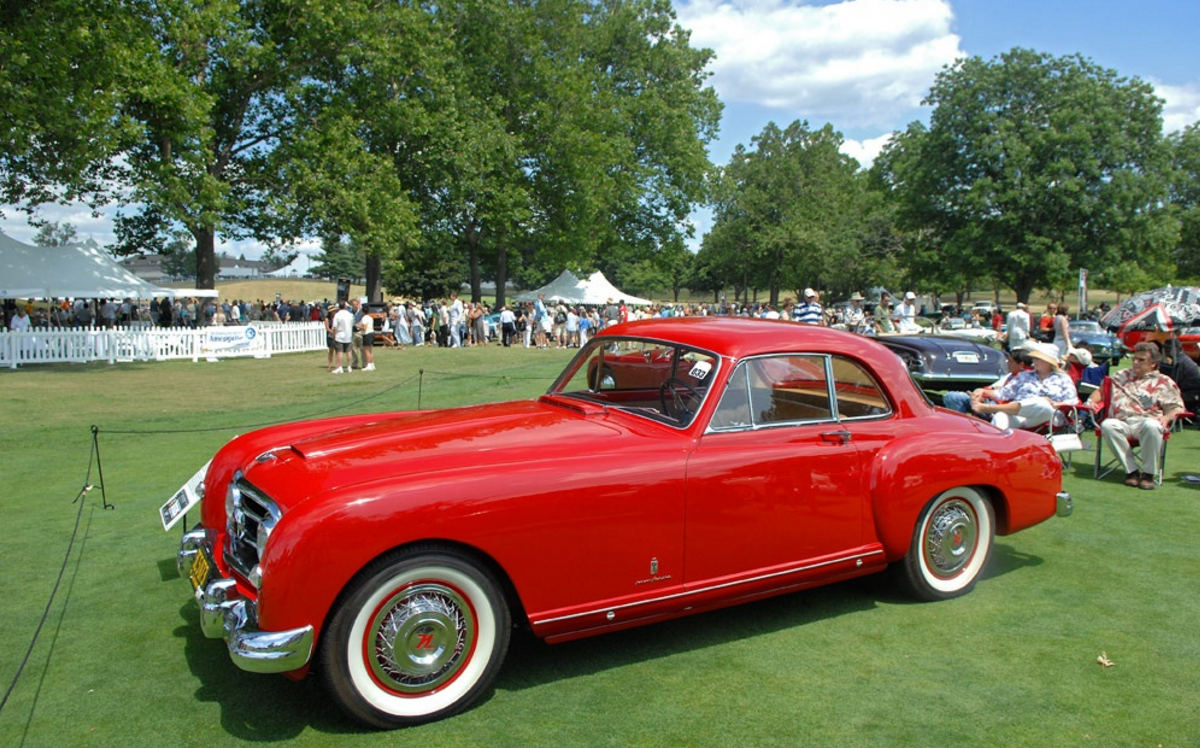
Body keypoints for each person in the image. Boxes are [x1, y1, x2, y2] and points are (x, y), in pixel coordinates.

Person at [1088, 341, 1185, 490]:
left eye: (1141, 360)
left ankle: (1148, 474)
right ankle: (1131, 471)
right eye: (1134, 358)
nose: (1135, 362)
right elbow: (1100, 392)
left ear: (1153, 364)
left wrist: (1166, 418)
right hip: (1121, 421)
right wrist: (1090, 402)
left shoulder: (1164, 382)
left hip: (1145, 422)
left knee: (1152, 425)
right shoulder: (1121, 375)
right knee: (1107, 425)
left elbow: (1178, 408)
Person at [970, 342, 1078, 430]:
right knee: (1001, 417)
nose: (1034, 361)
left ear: (1048, 362)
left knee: (1041, 403)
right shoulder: (1024, 376)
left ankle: (990, 408)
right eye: (1034, 358)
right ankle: (998, 451)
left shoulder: (1063, 378)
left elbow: (1073, 400)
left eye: (1038, 359)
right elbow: (1003, 393)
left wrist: (1056, 403)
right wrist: (982, 391)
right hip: (1021, 416)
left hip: (1049, 416)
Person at [943, 346, 1029, 414]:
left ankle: (962, 426)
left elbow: (1007, 398)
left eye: (1010, 361)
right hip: (989, 400)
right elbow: (995, 388)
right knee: (953, 397)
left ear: (1021, 365)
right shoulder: (1011, 375)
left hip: (996, 408)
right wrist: (979, 393)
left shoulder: (1023, 379)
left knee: (953, 397)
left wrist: (983, 398)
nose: (1007, 363)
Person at [330, 301, 355, 374]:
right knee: (349, 352)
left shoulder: (337, 315)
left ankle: (339, 367)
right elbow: (352, 323)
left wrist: (334, 335)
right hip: (348, 335)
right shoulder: (350, 315)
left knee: (339, 352)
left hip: (340, 335)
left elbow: (335, 327)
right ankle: (349, 366)